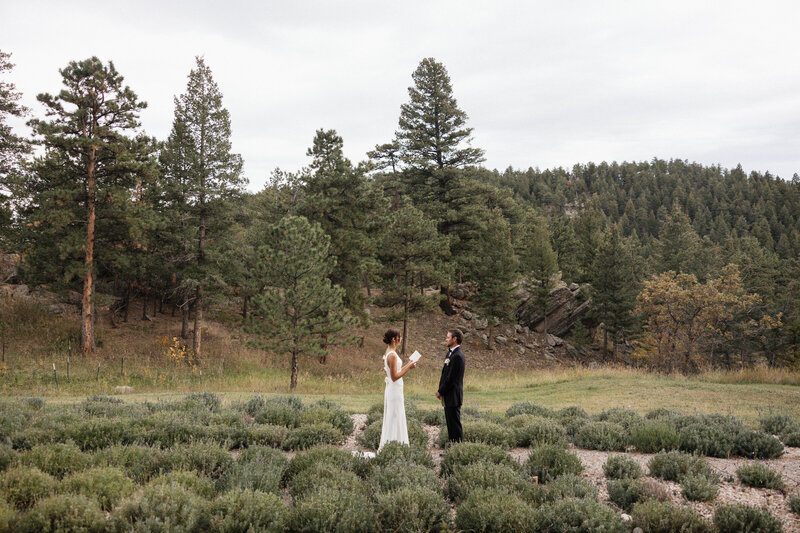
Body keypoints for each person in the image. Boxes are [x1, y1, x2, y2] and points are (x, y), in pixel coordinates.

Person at [379, 328, 416, 450]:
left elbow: (395, 372)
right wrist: (409, 367)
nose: (400, 339)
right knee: (395, 415)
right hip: (394, 389)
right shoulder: (393, 355)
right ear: (395, 339)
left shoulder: (389, 352)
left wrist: (408, 364)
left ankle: (395, 444)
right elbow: (395, 376)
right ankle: (395, 445)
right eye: (399, 337)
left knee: (395, 415)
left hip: (394, 389)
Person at [437, 328, 465, 444]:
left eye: (448, 337)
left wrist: (441, 391)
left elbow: (452, 379)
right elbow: (445, 374)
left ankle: (458, 448)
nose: (446, 339)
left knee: (454, 423)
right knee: (450, 423)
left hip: (453, 395)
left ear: (455, 339)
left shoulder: (458, 356)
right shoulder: (450, 353)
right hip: (448, 394)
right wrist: (441, 390)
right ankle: (453, 447)